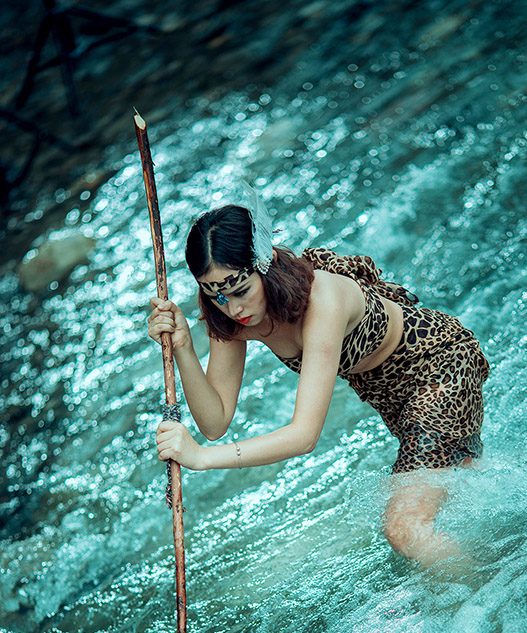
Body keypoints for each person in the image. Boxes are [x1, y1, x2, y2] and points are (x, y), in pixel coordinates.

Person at [147, 184, 490, 565]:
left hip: (438, 369)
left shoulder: (321, 299)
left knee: (405, 528)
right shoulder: (232, 316)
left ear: (266, 263)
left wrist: (202, 458)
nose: (234, 308)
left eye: (242, 290)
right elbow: (215, 421)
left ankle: (490, 593)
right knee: (464, 489)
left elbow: (304, 435)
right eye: (217, 296)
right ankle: (498, 564)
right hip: (390, 395)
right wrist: (183, 347)